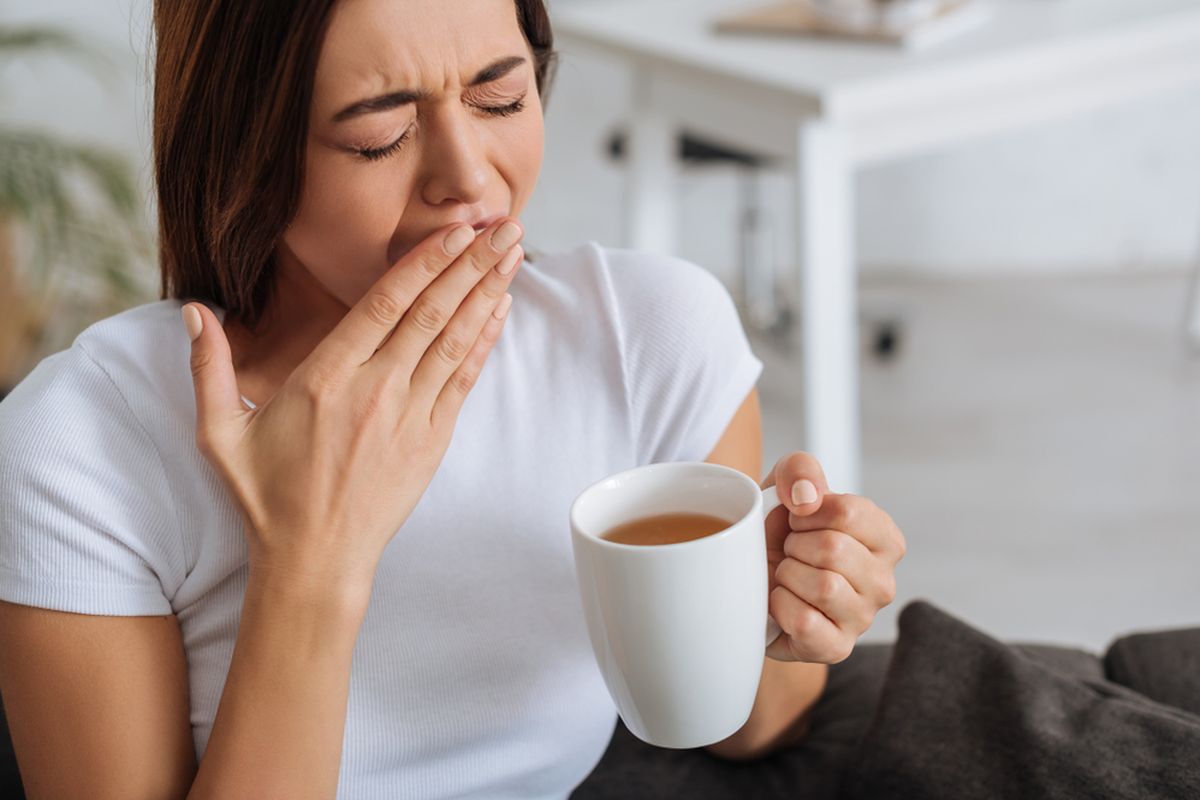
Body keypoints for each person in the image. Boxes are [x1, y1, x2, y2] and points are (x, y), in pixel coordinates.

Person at [0, 1, 905, 797]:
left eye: (501, 98)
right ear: (241, 147)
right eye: (376, 136)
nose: (469, 181)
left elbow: (751, 726)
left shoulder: (650, 338)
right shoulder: (80, 446)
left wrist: (792, 606)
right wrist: (312, 557)